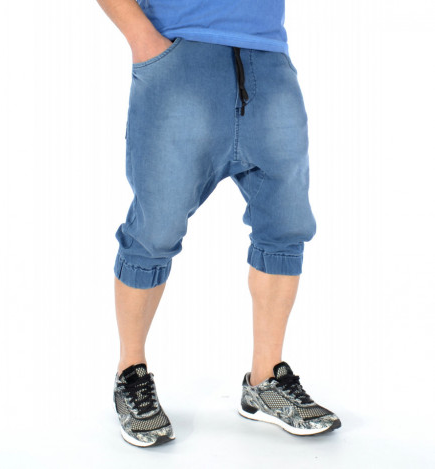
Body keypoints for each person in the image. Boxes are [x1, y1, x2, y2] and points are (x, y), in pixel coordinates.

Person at [96, 0, 341, 447]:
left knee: (286, 226)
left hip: (268, 58)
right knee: (155, 230)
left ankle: (265, 381)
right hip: (179, 57)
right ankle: (131, 372)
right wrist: (144, 41)